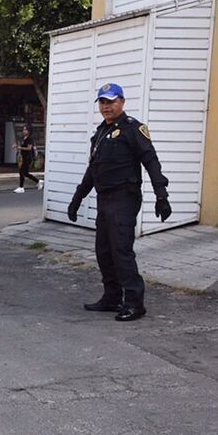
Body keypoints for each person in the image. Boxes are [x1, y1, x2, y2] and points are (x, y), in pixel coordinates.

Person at [67, 83, 171, 322]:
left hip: (124, 198)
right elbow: (93, 170)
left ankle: (135, 304)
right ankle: (112, 297)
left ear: (122, 102)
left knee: (121, 251)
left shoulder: (133, 129)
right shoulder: (101, 133)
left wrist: (161, 195)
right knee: (103, 251)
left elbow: (151, 161)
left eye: (111, 101)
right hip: (105, 199)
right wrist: (77, 199)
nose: (107, 107)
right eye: (103, 102)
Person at [14, 124, 41, 193]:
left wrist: (20, 148)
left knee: (21, 172)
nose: (24, 131)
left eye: (25, 129)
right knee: (25, 173)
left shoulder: (30, 138)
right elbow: (23, 147)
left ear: (29, 131)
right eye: (23, 129)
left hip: (28, 157)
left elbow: (29, 148)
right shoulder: (24, 138)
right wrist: (17, 147)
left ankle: (21, 187)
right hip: (24, 156)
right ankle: (38, 181)